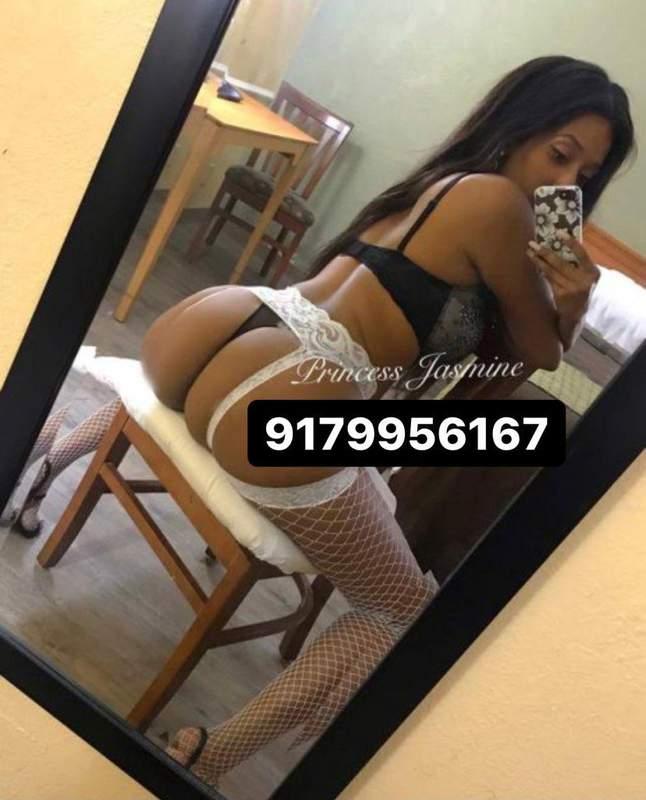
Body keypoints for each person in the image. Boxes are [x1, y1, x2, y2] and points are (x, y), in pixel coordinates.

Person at [144, 55, 635, 785]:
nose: (565, 185)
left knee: (377, 477)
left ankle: (53, 447)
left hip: (226, 326)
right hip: (294, 394)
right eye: (560, 155)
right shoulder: (500, 205)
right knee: (407, 613)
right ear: (519, 127)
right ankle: (205, 757)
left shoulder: (436, 181)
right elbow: (541, 351)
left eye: (585, 177)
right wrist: (575, 297)